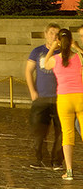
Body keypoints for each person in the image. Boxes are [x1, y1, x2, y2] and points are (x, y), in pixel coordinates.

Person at [45, 28, 83, 182]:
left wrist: (53, 48)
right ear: (71, 40)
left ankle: (69, 171)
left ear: (59, 41)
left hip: (64, 99)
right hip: (80, 97)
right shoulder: (78, 57)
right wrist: (77, 47)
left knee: (67, 135)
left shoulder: (55, 58)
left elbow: (45, 64)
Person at [25, 22, 63, 169]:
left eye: (57, 34)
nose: (54, 36)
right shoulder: (37, 51)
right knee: (38, 132)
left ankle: (57, 161)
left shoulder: (63, 53)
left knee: (61, 133)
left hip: (60, 98)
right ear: (46, 34)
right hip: (41, 98)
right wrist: (32, 92)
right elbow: (28, 71)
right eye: (52, 32)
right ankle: (40, 159)